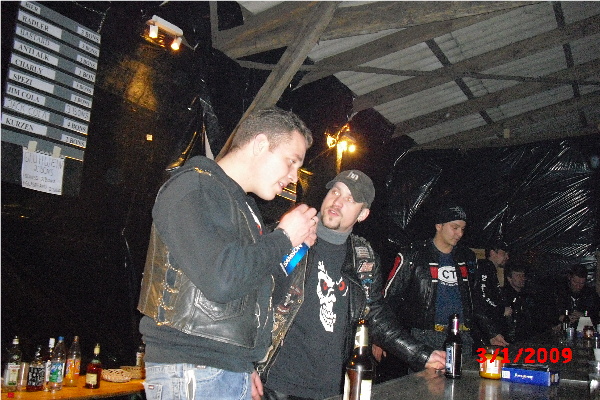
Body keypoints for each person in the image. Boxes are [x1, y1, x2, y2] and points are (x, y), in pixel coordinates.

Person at [137, 107, 319, 400]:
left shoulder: (245, 209)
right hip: (192, 369)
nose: (294, 176)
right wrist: (284, 237)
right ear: (260, 144)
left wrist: (294, 247)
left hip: (227, 368)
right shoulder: (192, 187)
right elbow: (222, 280)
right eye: (291, 161)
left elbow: (258, 287)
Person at [258, 170, 445, 400]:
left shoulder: (363, 257)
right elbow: (252, 296)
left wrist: (421, 355)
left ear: (363, 214)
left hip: (335, 389)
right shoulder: (291, 237)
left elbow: (375, 314)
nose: (337, 201)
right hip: (277, 386)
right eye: (335, 192)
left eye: (350, 199)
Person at [383, 204, 499, 360]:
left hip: (462, 336)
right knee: (426, 377)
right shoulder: (414, 255)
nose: (459, 233)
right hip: (425, 337)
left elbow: (476, 300)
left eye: (462, 229)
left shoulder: (467, 257)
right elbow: (390, 297)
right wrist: (381, 338)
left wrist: (492, 332)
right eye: (455, 227)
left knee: (462, 375)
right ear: (439, 226)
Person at [471, 241, 511, 346]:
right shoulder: (484, 267)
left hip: (486, 325)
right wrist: (501, 309)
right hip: (484, 327)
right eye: (504, 253)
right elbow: (482, 295)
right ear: (493, 253)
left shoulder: (490, 269)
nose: (507, 257)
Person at [553, 264, 600, 329]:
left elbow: (596, 316)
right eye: (575, 282)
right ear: (569, 278)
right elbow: (545, 313)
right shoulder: (558, 291)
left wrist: (584, 316)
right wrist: (561, 318)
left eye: (581, 283)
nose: (578, 286)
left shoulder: (591, 294)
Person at [502, 265, 537, 342]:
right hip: (511, 339)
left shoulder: (527, 295)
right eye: (518, 275)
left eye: (523, 275)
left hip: (527, 337)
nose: (522, 278)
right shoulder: (503, 296)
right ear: (509, 279)